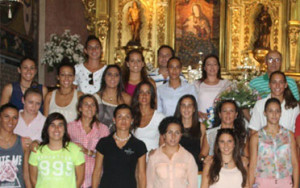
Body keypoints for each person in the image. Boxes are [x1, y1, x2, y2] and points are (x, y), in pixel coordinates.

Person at [92, 104, 147, 188]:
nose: (123, 120)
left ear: (132, 120)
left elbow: (141, 175)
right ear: (114, 120)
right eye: (120, 116)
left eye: (127, 117)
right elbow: (97, 171)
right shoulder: (104, 143)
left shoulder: (139, 145)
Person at [249, 98, 299, 188]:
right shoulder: (256, 137)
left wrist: (295, 186)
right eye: (270, 111)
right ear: (265, 113)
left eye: (277, 111)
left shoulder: (289, 135)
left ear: (281, 113)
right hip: (263, 183)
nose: (274, 114)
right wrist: (249, 185)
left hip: (285, 182)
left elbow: (295, 163)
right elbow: (252, 166)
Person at [29, 112, 85, 188]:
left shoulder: (75, 149)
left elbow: (80, 179)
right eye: (52, 125)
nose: (56, 129)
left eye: (60, 125)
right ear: (47, 129)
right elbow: (33, 179)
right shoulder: (36, 150)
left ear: (65, 129)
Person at [68, 94, 109, 188]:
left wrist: (89, 152)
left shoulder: (103, 129)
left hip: (95, 181)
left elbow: (107, 155)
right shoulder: (70, 127)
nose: (89, 107)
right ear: (80, 108)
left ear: (96, 109)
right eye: (86, 104)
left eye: (93, 105)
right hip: (74, 179)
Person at [146, 117, 198, 188]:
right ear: (164, 135)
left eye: (177, 132)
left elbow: (193, 185)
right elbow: (149, 184)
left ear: (181, 135)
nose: (173, 136)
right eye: (170, 132)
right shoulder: (154, 157)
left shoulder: (188, 157)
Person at [0, 103, 31, 187]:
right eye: (6, 116)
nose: (11, 121)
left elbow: (26, 175)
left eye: (15, 118)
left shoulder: (23, 142)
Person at [194, 54, 230, 124]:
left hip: (221, 121)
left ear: (218, 67)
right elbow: (192, 102)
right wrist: (197, 113)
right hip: (202, 122)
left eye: (214, 64)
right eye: (209, 64)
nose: (212, 67)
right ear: (204, 68)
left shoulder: (226, 84)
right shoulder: (197, 84)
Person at [174, 94, 206, 171]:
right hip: (177, 168)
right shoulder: (173, 126)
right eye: (183, 105)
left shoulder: (201, 127)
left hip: (196, 167)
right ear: (179, 108)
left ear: (194, 108)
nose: (186, 108)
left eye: (189, 105)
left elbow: (203, 150)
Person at [95, 64, 131, 132]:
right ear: (104, 77)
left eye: (116, 75)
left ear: (120, 78)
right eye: (109, 74)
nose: (112, 77)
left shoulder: (127, 99)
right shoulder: (95, 98)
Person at [131, 81, 165, 154]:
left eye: (148, 93)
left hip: (154, 160)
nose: (144, 95)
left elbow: (165, 143)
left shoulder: (159, 117)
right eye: (141, 92)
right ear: (137, 95)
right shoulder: (131, 116)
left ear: (152, 96)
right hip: (135, 160)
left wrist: (157, 154)